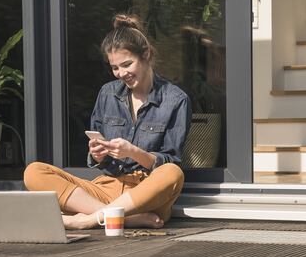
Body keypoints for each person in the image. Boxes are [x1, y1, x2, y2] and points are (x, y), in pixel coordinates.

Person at [23, 14, 192, 230]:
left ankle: (89, 219)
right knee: (34, 172)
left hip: (145, 194)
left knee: (172, 173)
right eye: (114, 67)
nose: (121, 74)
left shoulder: (175, 99)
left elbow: (171, 162)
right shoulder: (107, 93)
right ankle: (123, 219)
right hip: (106, 189)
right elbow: (98, 159)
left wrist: (132, 151)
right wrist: (97, 155)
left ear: (146, 55)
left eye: (127, 64)